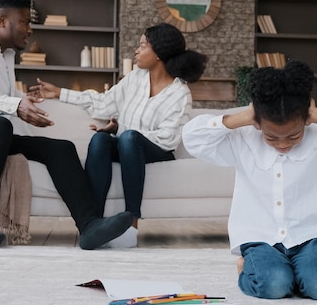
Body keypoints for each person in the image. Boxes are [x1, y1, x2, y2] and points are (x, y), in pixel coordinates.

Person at [0, 0, 133, 249]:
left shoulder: (6, 55)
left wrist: (23, 99)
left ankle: (89, 226)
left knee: (60, 148)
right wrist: (14, 105)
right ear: (2, 21)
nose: (29, 29)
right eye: (25, 22)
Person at [181, 61, 317, 300]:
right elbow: (192, 137)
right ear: (257, 123)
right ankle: (247, 268)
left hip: (313, 236)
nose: (283, 144)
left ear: (306, 120)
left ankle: (300, 275)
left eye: (293, 135)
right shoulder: (242, 138)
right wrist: (247, 115)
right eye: (271, 137)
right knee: (274, 286)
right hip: (261, 238)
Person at [29, 23, 208, 247]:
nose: (136, 51)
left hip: (157, 151)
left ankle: (131, 222)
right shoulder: (135, 78)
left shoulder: (180, 94)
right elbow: (103, 104)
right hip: (127, 144)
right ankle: (93, 223)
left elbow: (168, 139)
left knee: (130, 138)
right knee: (101, 139)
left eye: (143, 46)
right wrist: (60, 92)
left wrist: (122, 129)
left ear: (159, 54)